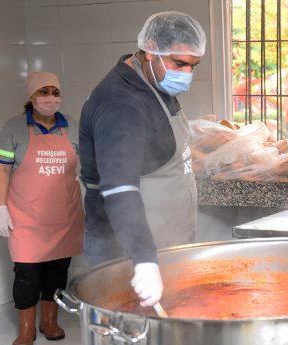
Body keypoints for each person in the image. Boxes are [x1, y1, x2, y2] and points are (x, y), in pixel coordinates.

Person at [78, 12, 205, 309]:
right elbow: (119, 189)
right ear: (150, 49)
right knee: (133, 337)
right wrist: (145, 260)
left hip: (166, 242)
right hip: (128, 251)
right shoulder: (119, 105)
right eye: (179, 63)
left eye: (193, 65)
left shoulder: (152, 81)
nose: (187, 73)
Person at [0, 71, 84, 345]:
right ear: (32, 97)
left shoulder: (73, 126)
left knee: (57, 272)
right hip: (26, 218)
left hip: (63, 216)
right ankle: (26, 328)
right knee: (27, 273)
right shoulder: (13, 127)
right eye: (44, 92)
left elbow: (89, 164)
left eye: (55, 92)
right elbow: (1, 169)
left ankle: (50, 322)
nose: (50, 98)